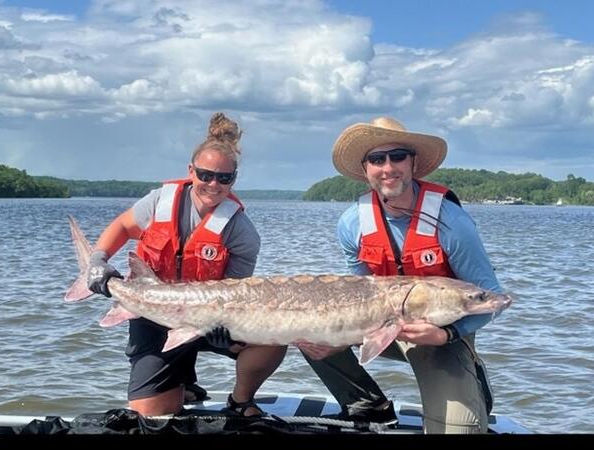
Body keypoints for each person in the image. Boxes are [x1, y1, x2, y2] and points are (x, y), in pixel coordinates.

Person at [297, 117, 502, 433]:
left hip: (442, 337)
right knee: (308, 328)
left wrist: (447, 334)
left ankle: (470, 375)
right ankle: (367, 405)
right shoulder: (351, 224)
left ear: (413, 162)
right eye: (377, 159)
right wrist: (339, 332)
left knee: (459, 430)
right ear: (366, 169)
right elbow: (361, 291)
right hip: (380, 323)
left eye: (397, 156)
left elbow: (492, 298)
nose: (388, 167)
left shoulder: (452, 222)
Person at [87, 112, 287, 416]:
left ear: (234, 179)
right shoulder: (160, 201)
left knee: (276, 334)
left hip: (207, 318)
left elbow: (233, 291)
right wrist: (98, 261)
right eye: (205, 175)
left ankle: (241, 400)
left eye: (224, 178)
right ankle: (182, 382)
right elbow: (123, 227)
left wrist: (223, 324)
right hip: (153, 314)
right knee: (151, 416)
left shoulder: (241, 231)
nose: (213, 184)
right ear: (191, 171)